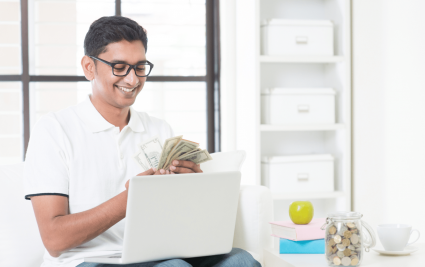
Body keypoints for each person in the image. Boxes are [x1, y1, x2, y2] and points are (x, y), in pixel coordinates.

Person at [23, 16, 260, 267]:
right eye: (119, 67)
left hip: (155, 254)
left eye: (139, 67)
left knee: (242, 261)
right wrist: (131, 199)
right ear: (89, 67)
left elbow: (176, 221)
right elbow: (54, 239)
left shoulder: (158, 129)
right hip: (89, 261)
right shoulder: (54, 130)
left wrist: (192, 191)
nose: (133, 80)